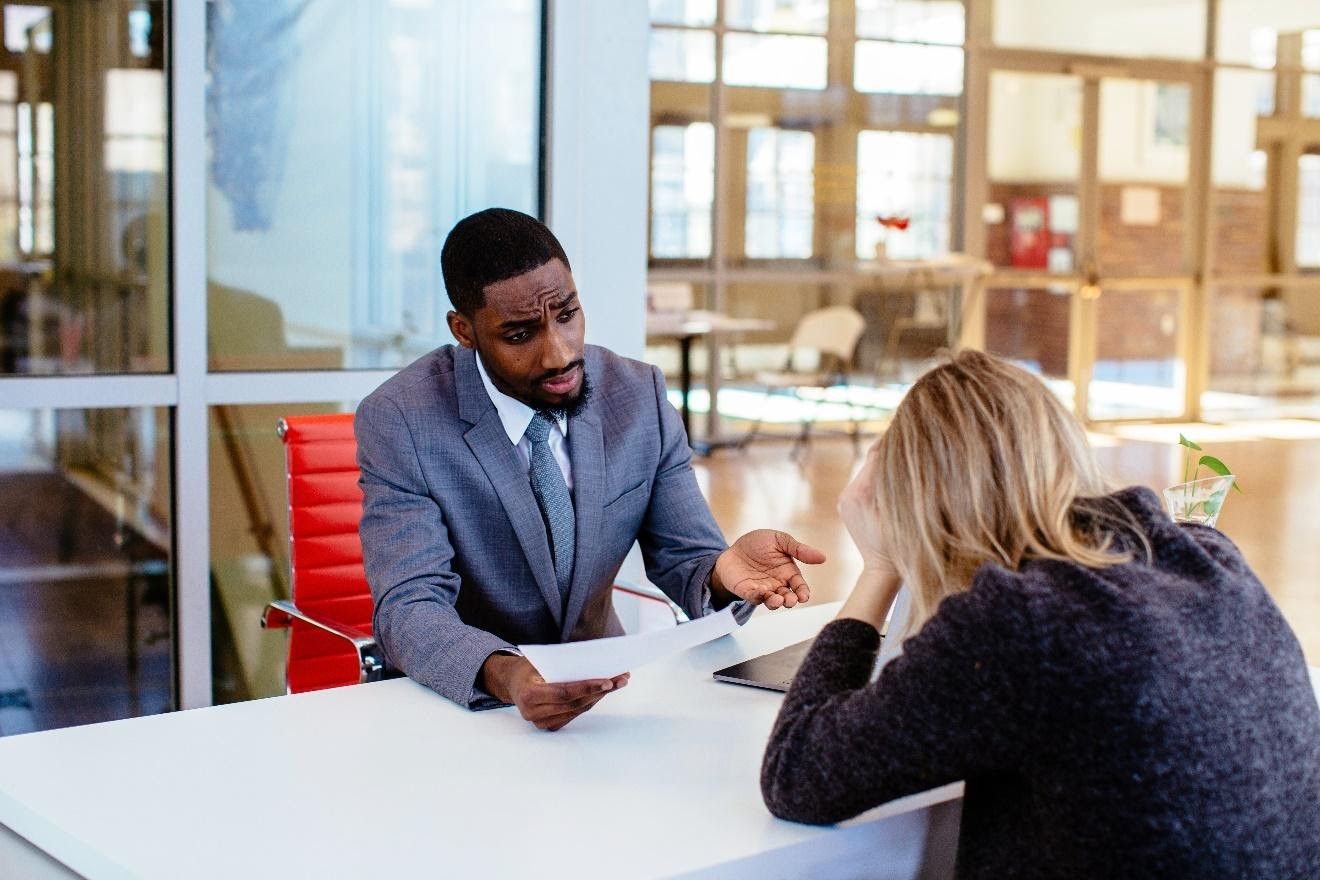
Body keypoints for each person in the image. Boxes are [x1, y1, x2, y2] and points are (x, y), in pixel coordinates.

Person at [761, 350, 1320, 878]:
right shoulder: (1206, 556)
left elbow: (797, 773)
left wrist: (880, 566)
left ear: (917, 497)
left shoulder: (1020, 621)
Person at [356, 207, 824, 730]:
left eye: (567, 313)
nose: (558, 353)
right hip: (464, 709)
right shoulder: (401, 420)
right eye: (519, 335)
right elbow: (409, 606)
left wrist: (723, 574)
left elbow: (688, 557)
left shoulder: (637, 395)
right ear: (464, 331)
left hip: (609, 699)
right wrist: (508, 676)